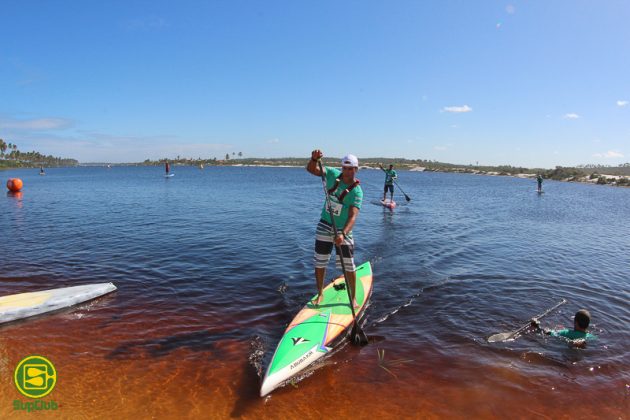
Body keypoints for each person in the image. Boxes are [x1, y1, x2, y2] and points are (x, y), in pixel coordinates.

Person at [306, 150, 363, 308]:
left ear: (356, 170)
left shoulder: (357, 191)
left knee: (349, 265)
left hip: (343, 229)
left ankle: (352, 298)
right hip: (325, 223)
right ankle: (320, 294)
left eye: (351, 168)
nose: (348, 171)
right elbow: (311, 169)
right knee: (320, 261)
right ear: (342, 168)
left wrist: (343, 234)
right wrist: (314, 159)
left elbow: (353, 217)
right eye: (345, 168)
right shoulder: (331, 174)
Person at [531, 309, 596, 343]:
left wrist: (537, 325)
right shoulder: (592, 337)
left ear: (575, 323)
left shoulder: (566, 332)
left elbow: (549, 333)